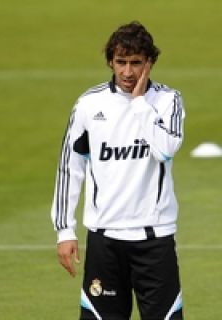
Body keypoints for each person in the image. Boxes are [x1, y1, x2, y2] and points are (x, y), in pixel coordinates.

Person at [50, 21, 185, 320]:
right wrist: (65, 230)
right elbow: (70, 168)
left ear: (149, 63)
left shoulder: (167, 101)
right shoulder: (89, 104)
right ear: (110, 61)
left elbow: (164, 150)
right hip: (104, 241)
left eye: (136, 63)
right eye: (120, 62)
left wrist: (138, 104)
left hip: (155, 240)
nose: (127, 72)